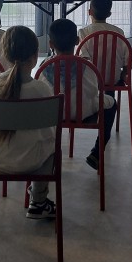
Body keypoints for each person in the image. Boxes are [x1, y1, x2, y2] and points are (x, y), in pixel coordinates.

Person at [0, 26, 58, 219]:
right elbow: (49, 134)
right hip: (33, 162)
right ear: (35, 57)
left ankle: (38, 201)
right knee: (53, 144)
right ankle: (38, 200)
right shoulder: (41, 90)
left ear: (5, 55)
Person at [42, 18, 116, 170]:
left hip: (53, 115)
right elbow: (93, 91)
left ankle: (48, 153)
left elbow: (41, 93)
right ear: (77, 41)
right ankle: (97, 152)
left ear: (50, 44)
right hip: (83, 112)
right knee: (112, 103)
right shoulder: (87, 66)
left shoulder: (45, 67)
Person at [77, 0, 132, 86]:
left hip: (91, 81)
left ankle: (96, 95)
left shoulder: (83, 32)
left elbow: (83, 59)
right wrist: (123, 74)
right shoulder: (118, 32)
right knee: (112, 82)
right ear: (109, 14)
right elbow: (130, 60)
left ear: (89, 12)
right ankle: (110, 95)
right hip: (114, 80)